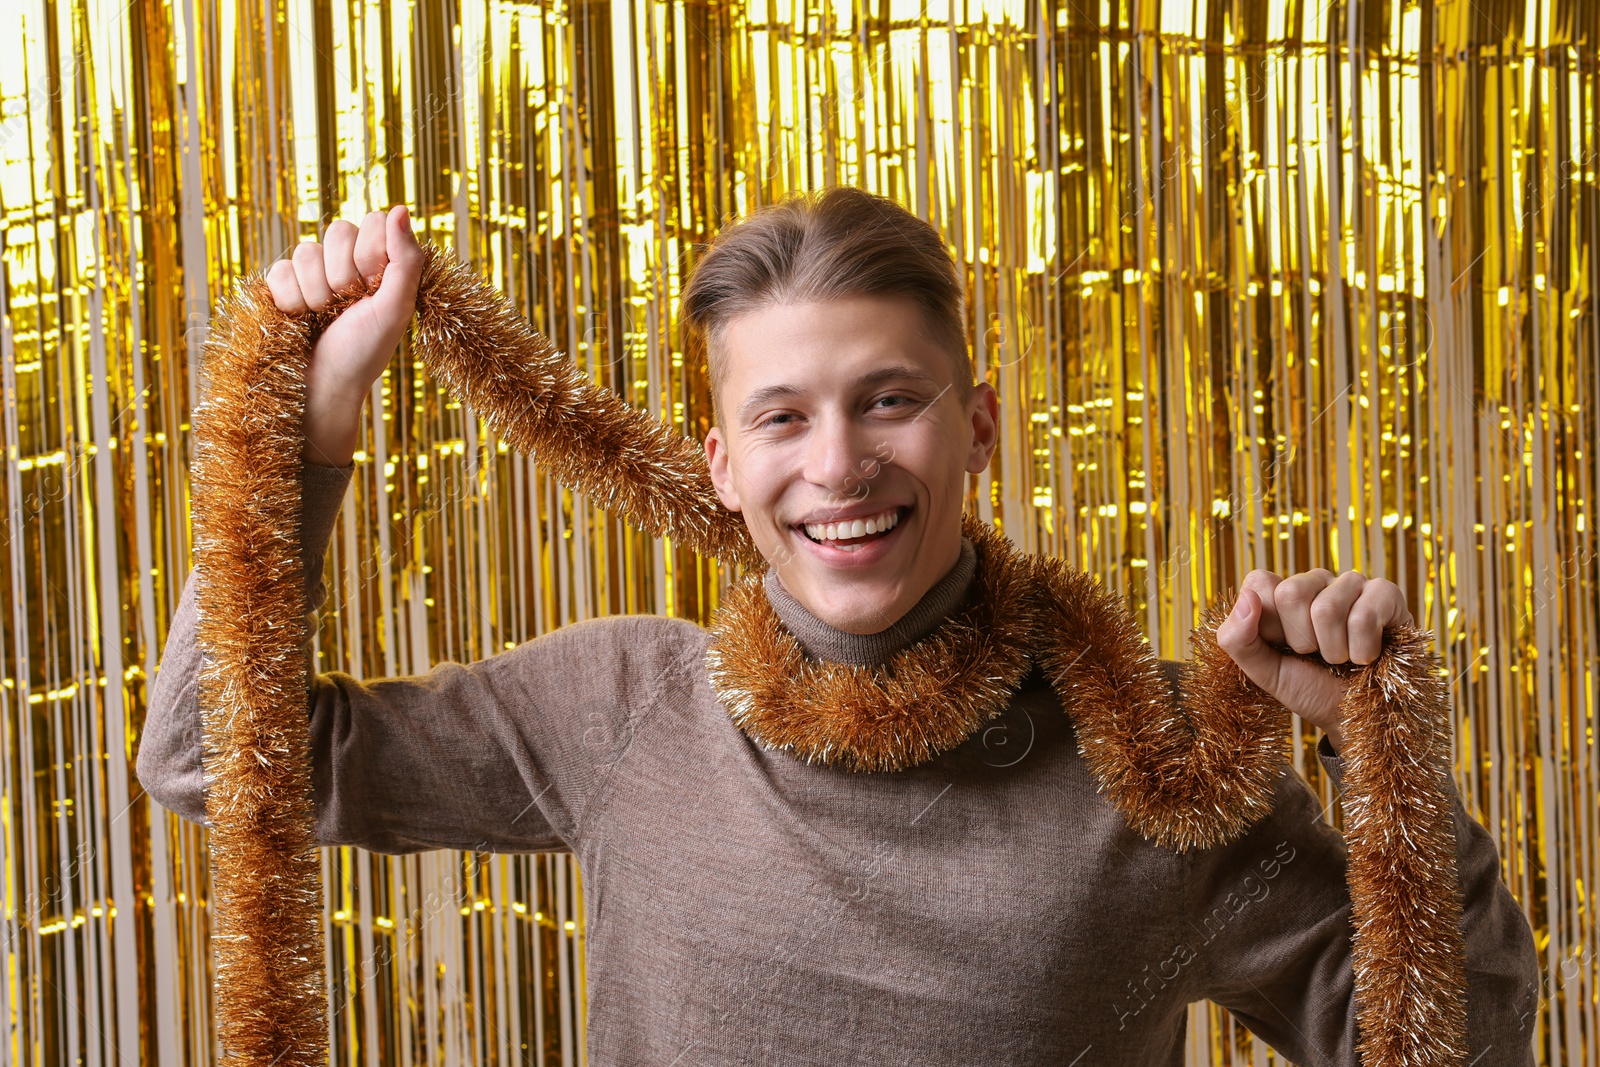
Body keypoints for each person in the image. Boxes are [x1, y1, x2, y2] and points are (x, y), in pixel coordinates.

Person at [137, 187, 1540, 1064]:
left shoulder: (1168, 761)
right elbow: (211, 751)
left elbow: (1448, 1054)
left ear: (977, 426)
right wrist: (308, 432)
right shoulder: (621, 708)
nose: (839, 467)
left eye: (889, 399)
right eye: (783, 419)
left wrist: (1379, 752)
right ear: (722, 465)